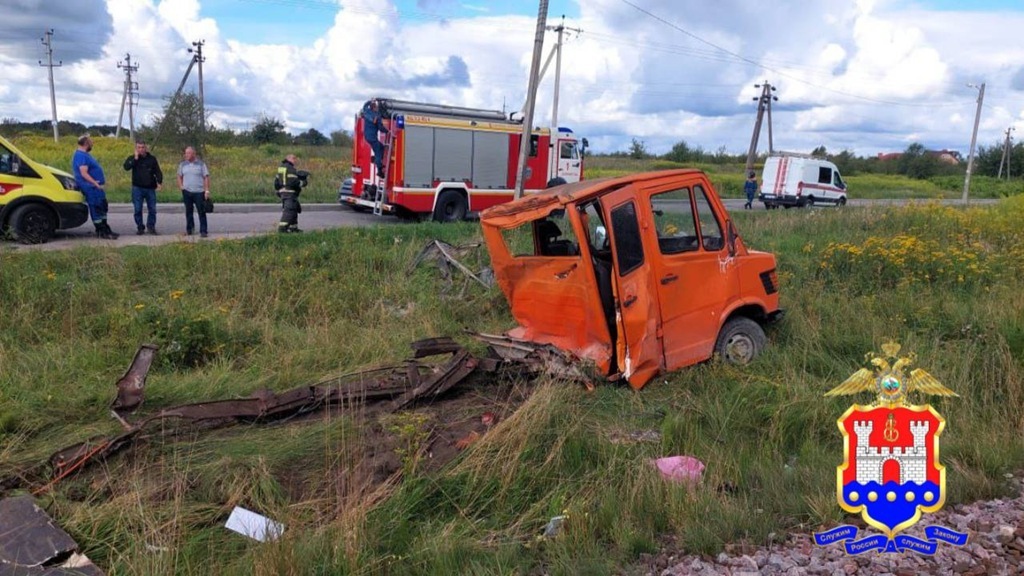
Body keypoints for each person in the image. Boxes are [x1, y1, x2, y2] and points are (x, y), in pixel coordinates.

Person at [72, 134, 119, 239]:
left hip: (96, 187)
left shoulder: (85, 155)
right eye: (91, 142)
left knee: (103, 206)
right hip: (91, 187)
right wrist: (95, 183)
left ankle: (106, 229)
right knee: (96, 207)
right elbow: (83, 173)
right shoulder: (81, 155)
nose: (92, 144)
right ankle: (101, 231)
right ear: (86, 143)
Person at [123, 140, 163, 235]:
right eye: (139, 147)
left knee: (152, 209)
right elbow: (126, 167)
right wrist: (135, 158)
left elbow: (157, 171)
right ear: (136, 149)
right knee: (137, 209)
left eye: (142, 147)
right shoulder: (133, 158)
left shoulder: (152, 159)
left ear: (146, 148)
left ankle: (151, 226)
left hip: (150, 188)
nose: (141, 149)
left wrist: (159, 182)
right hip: (137, 188)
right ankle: (140, 227)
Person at [177, 146, 211, 237]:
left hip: (199, 192)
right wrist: (181, 186)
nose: (186, 155)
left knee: (201, 211)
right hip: (187, 192)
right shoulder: (182, 164)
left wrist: (207, 190)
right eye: (186, 153)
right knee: (188, 211)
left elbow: (206, 177)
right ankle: (190, 230)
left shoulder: (201, 164)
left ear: (194, 154)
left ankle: (203, 231)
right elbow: (179, 176)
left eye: (189, 153)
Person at [275, 154, 309, 233]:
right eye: (294, 159)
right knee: (289, 210)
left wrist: (279, 190)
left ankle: (293, 228)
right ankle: (282, 229)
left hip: (283, 192)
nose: (295, 160)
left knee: (294, 209)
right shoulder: (290, 169)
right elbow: (293, 182)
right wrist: (303, 182)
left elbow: (276, 182)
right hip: (290, 193)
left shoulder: (281, 168)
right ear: (289, 159)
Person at [361, 100, 389, 174]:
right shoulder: (377, 116)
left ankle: (377, 161)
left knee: (381, 147)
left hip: (367, 136)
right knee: (378, 152)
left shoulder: (367, 112)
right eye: (376, 106)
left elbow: (364, 106)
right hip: (373, 137)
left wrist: (370, 100)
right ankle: (379, 170)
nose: (377, 108)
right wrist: (388, 131)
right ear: (375, 107)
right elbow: (380, 128)